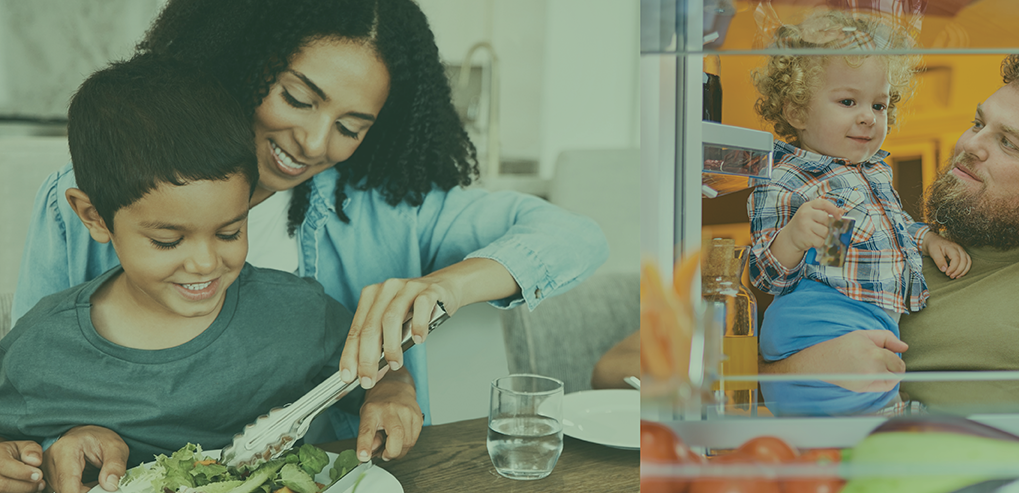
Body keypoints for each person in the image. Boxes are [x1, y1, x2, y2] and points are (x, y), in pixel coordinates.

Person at [11, 0, 609, 435]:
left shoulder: (385, 204)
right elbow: (41, 383)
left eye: (351, 127)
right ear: (245, 61)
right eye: (298, 99)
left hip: (329, 490)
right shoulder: (98, 191)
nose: (314, 142)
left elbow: (574, 235)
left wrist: (442, 287)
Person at [0, 56, 394, 493]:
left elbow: (373, 370)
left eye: (229, 232)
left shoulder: (297, 312)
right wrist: (19, 469)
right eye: (168, 240)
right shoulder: (42, 347)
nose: (207, 263)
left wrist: (392, 394)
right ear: (94, 217)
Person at [758, 55, 1019, 407]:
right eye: (978, 123)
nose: (970, 144)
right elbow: (749, 371)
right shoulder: (887, 247)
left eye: (1008, 143)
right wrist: (797, 369)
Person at [745, 11, 970, 364]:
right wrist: (792, 237)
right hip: (819, 319)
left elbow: (885, 229)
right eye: (848, 102)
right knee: (862, 392)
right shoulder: (784, 177)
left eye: (878, 105)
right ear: (797, 111)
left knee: (876, 385)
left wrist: (927, 239)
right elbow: (764, 275)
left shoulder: (873, 172)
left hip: (871, 319)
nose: (868, 116)